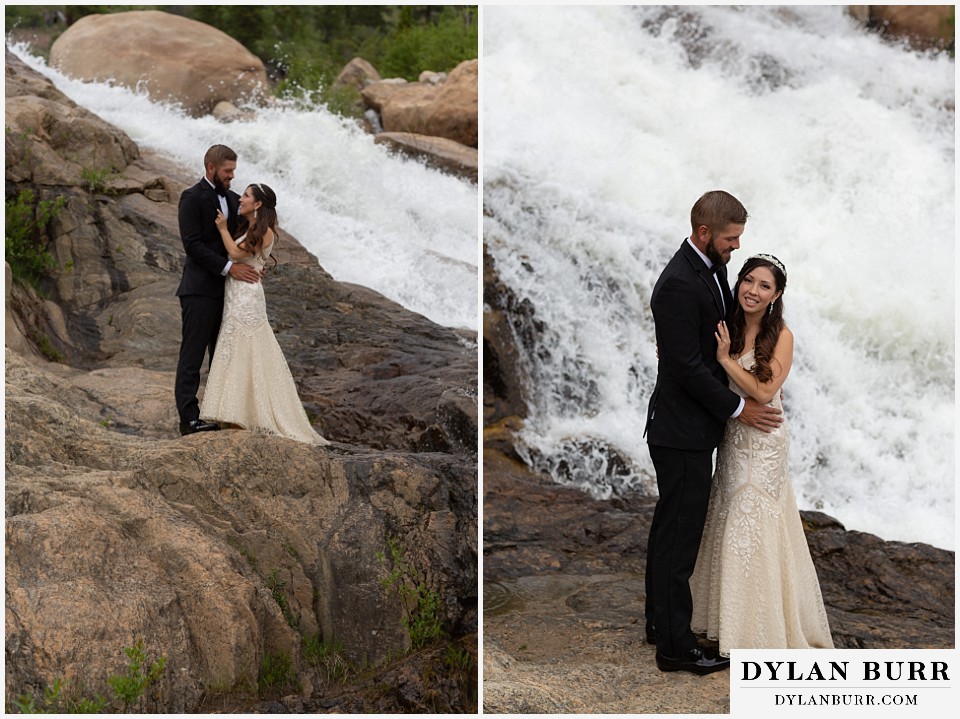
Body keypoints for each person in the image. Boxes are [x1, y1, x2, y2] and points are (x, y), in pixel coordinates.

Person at [643, 190, 783, 675]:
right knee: (679, 541)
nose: (736, 247)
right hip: (681, 430)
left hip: (687, 427)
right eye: (731, 238)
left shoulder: (708, 267)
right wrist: (740, 407)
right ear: (706, 233)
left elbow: (696, 340)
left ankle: (659, 626)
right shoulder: (681, 281)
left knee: (670, 532)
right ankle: (675, 649)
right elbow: (684, 366)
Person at [689, 254, 833, 654]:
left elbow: (765, 392)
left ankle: (758, 631)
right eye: (748, 281)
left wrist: (723, 359)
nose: (753, 290)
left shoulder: (781, 334)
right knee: (728, 518)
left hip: (765, 441)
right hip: (733, 436)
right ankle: (726, 621)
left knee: (752, 524)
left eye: (764, 285)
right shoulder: (726, 325)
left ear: (777, 294)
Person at [199, 182, 329, 446]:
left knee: (245, 347)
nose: (241, 199)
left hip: (247, 297)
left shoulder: (264, 231)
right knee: (234, 347)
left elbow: (235, 253)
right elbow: (245, 257)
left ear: (258, 204)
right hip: (237, 292)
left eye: (246, 196)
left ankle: (243, 413)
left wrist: (222, 229)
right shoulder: (250, 228)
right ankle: (234, 412)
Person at [175, 144, 262, 435]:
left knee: (222, 356)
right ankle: (189, 420)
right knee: (192, 355)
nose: (232, 176)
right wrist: (229, 268)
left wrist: (259, 258)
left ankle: (219, 412)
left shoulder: (235, 199)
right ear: (211, 168)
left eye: (234, 171)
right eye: (228, 171)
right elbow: (193, 245)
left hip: (229, 293)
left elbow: (254, 231)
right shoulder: (191, 198)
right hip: (199, 289)